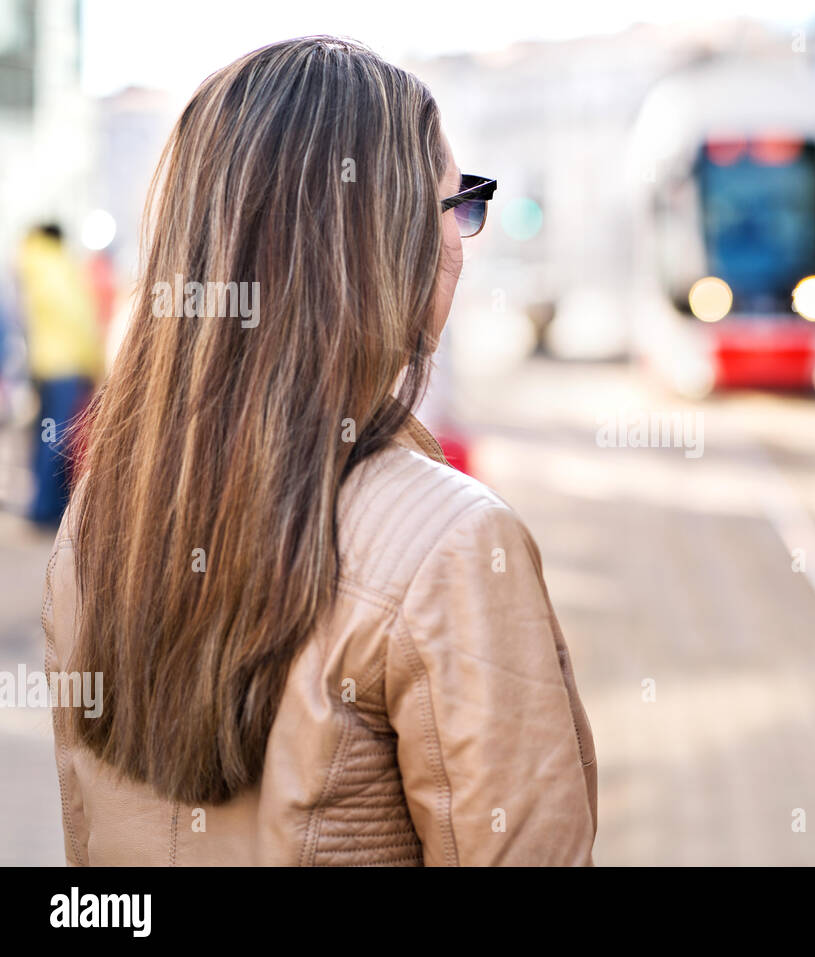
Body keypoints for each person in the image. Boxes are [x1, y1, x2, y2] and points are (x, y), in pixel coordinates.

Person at [43, 36, 596, 866]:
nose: (464, 241)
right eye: (460, 207)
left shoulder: (101, 516)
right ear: (385, 242)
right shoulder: (451, 543)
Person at [15, 223, 101, 526]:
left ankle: (41, 504)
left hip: (45, 364)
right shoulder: (56, 265)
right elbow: (77, 317)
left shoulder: (31, 266)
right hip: (67, 364)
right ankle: (48, 508)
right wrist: (95, 360)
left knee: (46, 435)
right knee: (60, 438)